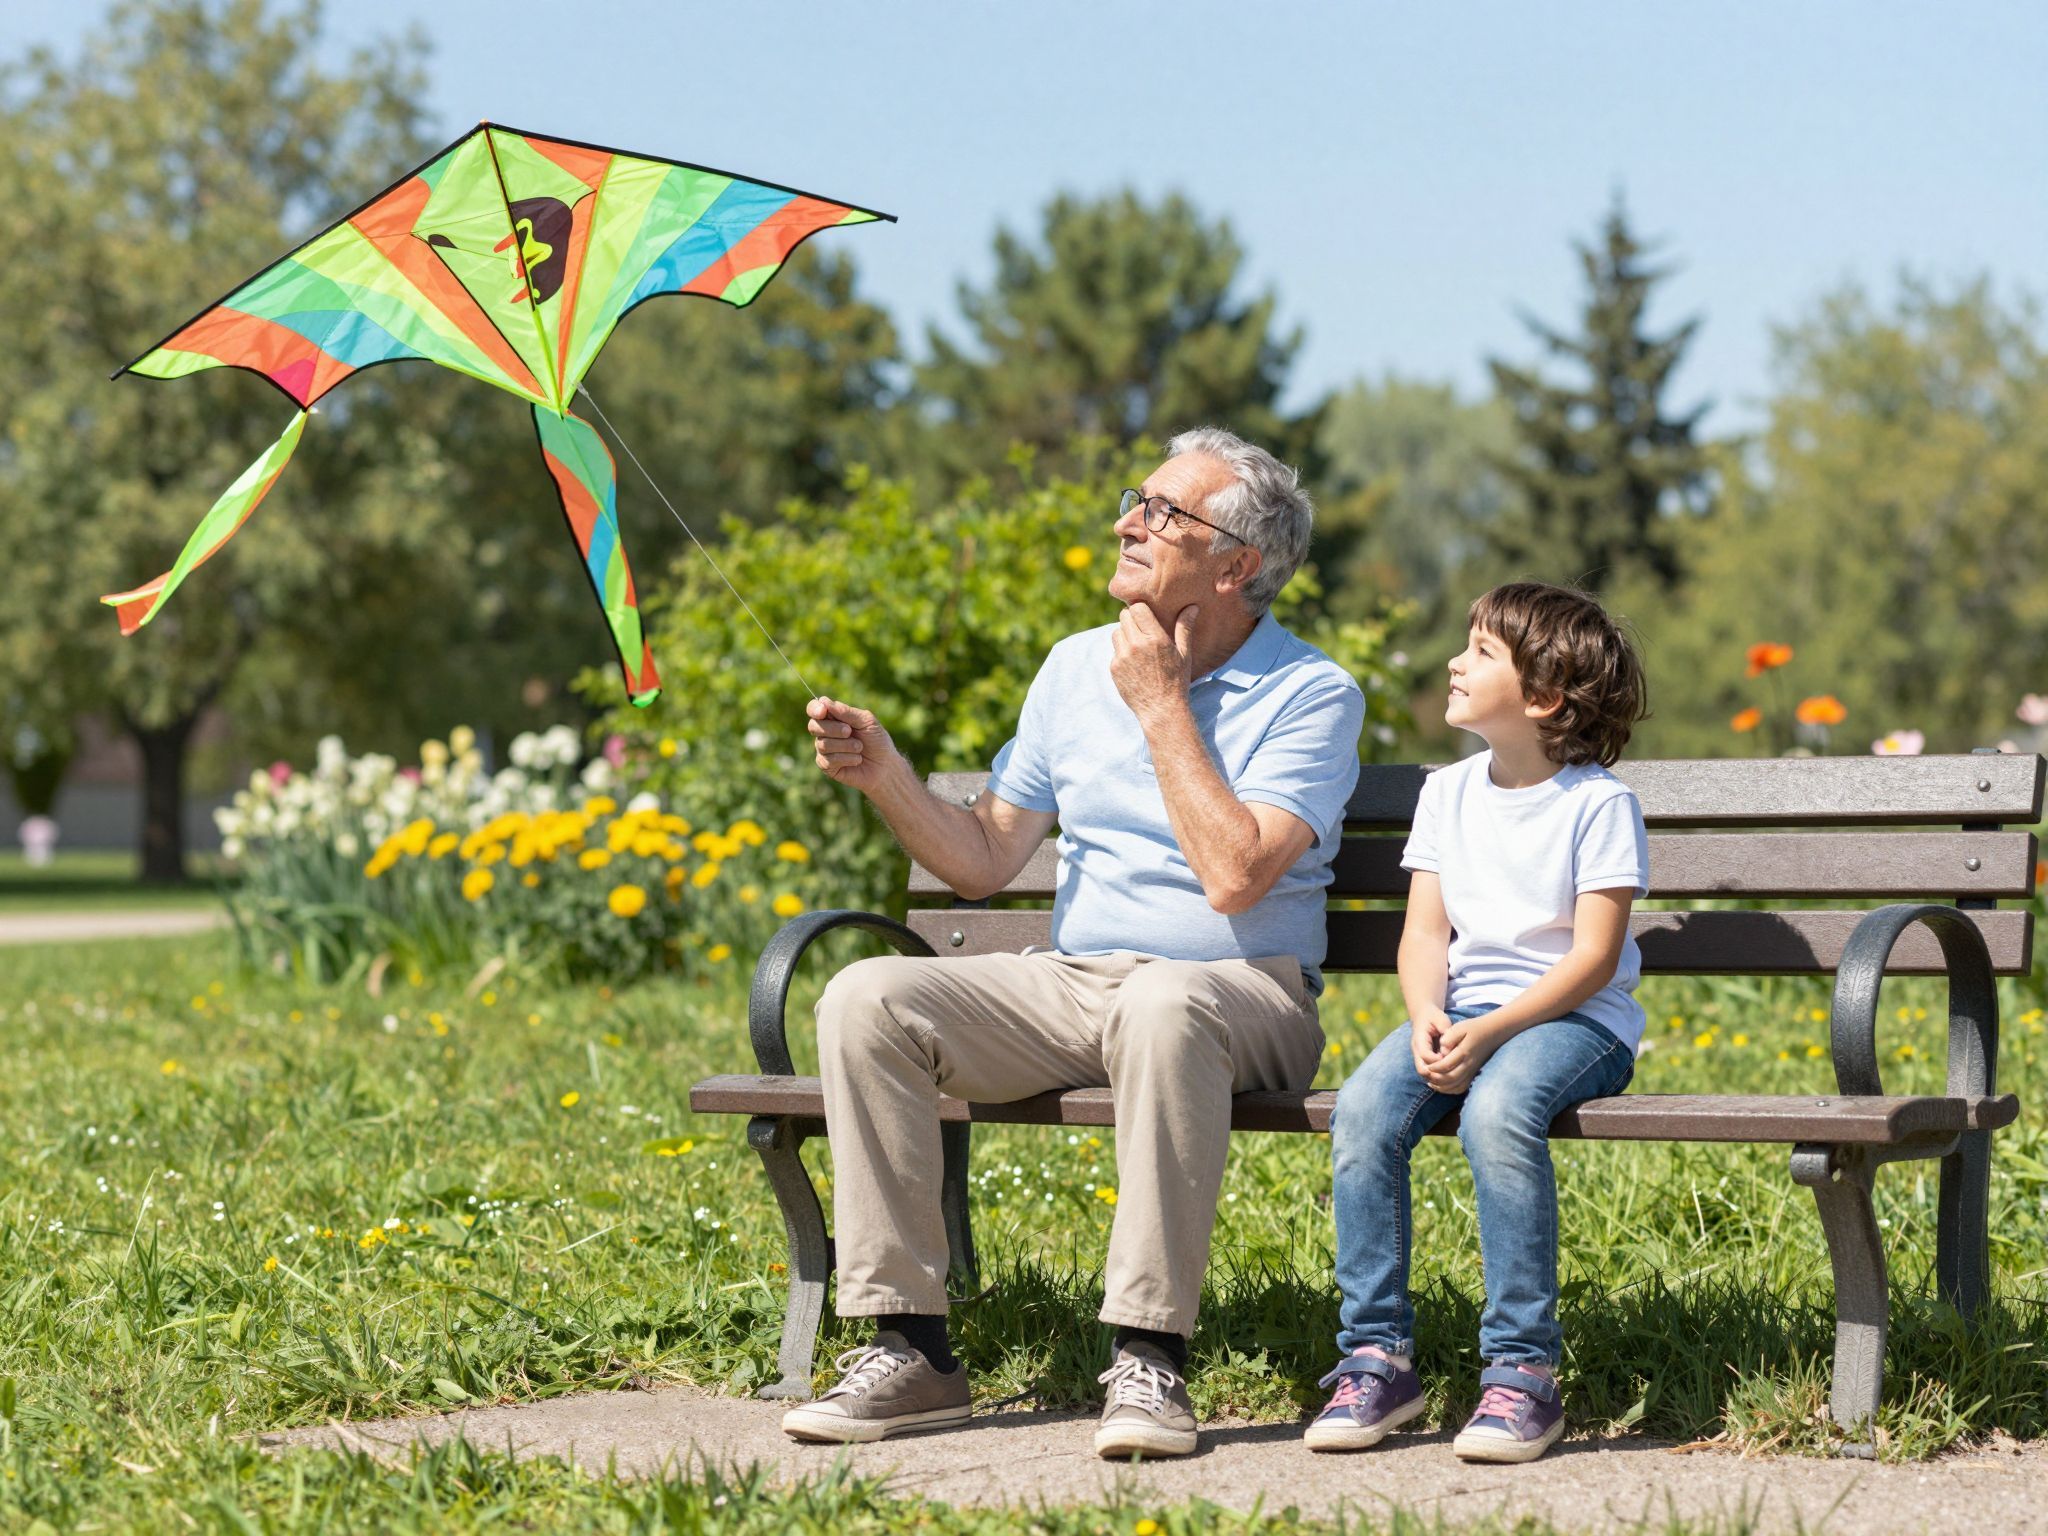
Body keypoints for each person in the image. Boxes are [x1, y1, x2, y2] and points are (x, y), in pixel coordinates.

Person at [778, 427, 1364, 1457]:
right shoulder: (1068, 668)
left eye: (1161, 513)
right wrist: (886, 776)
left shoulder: (1311, 695)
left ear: (1234, 568)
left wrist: (1157, 705)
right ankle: (910, 1349)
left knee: (1164, 1001)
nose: (1125, 523)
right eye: (1137, 501)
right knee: (866, 997)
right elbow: (979, 861)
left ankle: (1147, 1359)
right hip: (1076, 984)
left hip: (1242, 992)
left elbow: (1233, 878)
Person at [1306, 581, 1649, 1464]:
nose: (1455, 663)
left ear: (1542, 698)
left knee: (1498, 1115)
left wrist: (1492, 1034)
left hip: (1574, 1022)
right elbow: (1426, 933)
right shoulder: (1447, 793)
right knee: (1365, 1112)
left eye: (1481, 652)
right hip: (1458, 1014)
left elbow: (1593, 960)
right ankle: (1376, 1359)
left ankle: (1523, 1374)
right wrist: (1427, 1013)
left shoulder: (1597, 804)